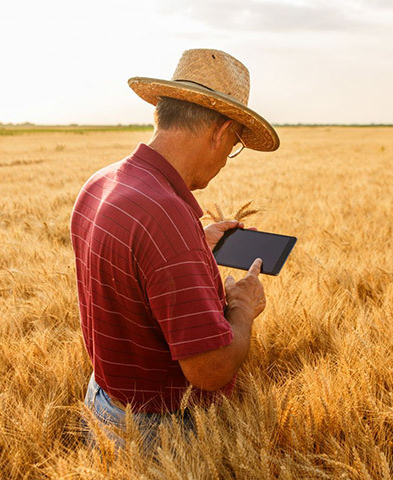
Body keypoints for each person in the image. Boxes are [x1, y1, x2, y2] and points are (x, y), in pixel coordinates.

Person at [70, 48, 280, 449]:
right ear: (219, 132)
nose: (226, 160)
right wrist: (242, 306)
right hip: (156, 433)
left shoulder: (100, 183)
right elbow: (210, 369)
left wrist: (194, 245)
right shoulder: (165, 215)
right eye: (234, 144)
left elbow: (130, 276)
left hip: (102, 402)